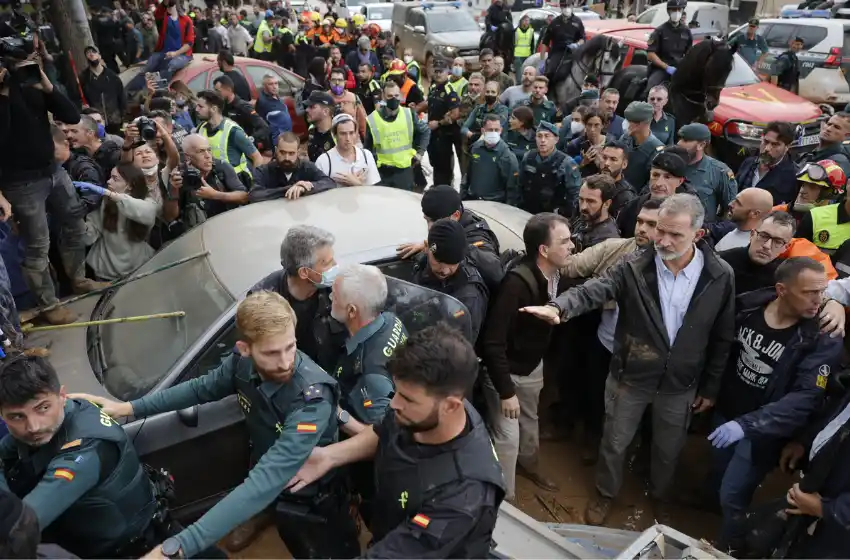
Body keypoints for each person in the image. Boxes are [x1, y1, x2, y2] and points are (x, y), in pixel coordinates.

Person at [77, 291, 361, 559]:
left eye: (291, 347)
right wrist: (129, 408)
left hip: (313, 497)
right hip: (272, 480)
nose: (286, 362)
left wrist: (180, 547)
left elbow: (266, 479)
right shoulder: (241, 363)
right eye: (272, 353)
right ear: (245, 349)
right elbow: (201, 389)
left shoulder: (311, 397)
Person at [523, 193, 735, 526]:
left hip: (680, 384)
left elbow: (722, 335)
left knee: (668, 449)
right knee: (615, 441)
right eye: (659, 231)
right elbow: (595, 289)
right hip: (631, 375)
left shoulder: (719, 275)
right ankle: (605, 494)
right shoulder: (634, 266)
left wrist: (710, 386)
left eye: (674, 234)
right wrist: (559, 308)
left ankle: (660, 497)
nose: (661, 240)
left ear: (699, 233)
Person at [288, 323, 505, 557]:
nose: (394, 404)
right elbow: (385, 430)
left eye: (407, 399)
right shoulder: (423, 411)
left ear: (451, 406)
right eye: (397, 391)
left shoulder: (462, 496)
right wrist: (328, 457)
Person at [707, 257, 842, 551]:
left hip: (762, 433)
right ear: (782, 290)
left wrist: (746, 425)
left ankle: (729, 546)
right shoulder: (749, 305)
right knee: (718, 472)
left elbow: (805, 398)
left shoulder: (822, 337)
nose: (820, 300)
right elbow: (721, 348)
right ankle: (710, 509)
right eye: (810, 292)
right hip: (726, 411)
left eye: (823, 292)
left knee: (733, 493)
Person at [0, 354, 162, 558]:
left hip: (125, 551)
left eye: (43, 408)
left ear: (62, 396)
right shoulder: (63, 413)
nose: (33, 426)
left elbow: (19, 528)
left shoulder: (86, 449)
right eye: (17, 416)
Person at [558, 198, 663, 460]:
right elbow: (571, 265)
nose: (642, 229)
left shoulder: (675, 270)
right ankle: (594, 442)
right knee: (594, 395)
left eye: (652, 224)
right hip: (605, 344)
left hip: (644, 355)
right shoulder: (616, 250)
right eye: (640, 221)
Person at [480, 211, 572, 500]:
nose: (572, 247)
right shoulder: (516, 285)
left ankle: (530, 465)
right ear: (544, 250)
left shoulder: (557, 274)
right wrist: (506, 391)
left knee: (530, 420)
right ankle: (506, 501)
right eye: (565, 241)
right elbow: (492, 343)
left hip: (532, 367)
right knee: (507, 437)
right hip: (505, 372)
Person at [0, 60, 94, 325]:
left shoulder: (31, 83)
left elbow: (72, 115)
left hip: (53, 171)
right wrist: (4, 95)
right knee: (37, 244)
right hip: (20, 183)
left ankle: (79, 279)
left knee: (75, 222)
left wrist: (46, 85)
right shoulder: (4, 92)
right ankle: (49, 305)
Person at [330, 265, 406, 525]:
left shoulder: (370, 372)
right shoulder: (391, 321)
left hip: (374, 477)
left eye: (334, 296)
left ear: (352, 311)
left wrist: (337, 413)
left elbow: (377, 438)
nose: (329, 298)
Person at [248, 226, 345, 375]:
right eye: (327, 263)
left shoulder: (339, 288)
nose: (335, 266)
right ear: (304, 272)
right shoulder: (263, 302)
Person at [412, 219, 490, 343]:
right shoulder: (421, 265)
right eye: (439, 262)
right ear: (426, 248)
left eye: (452, 264)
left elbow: (460, 348)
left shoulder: (469, 296)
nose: (445, 271)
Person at [77, 162, 158, 282]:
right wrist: (76, 220)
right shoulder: (106, 203)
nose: (109, 181)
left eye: (115, 179)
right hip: (106, 270)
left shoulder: (146, 202)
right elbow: (91, 234)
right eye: (110, 177)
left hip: (139, 269)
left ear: (130, 185)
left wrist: (109, 194)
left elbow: (146, 213)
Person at [397, 184, 501, 260]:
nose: (430, 227)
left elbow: (493, 268)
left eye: (436, 221)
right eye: (427, 220)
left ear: (456, 215)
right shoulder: (451, 224)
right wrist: (430, 245)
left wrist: (444, 246)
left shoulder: (475, 236)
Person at [365, 80, 430, 190]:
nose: (394, 99)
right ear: (383, 97)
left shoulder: (409, 114)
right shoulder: (372, 119)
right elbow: (367, 148)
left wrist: (420, 153)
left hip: (404, 171)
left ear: (400, 95)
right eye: (389, 96)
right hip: (382, 173)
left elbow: (425, 131)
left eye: (396, 95)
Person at [616, 146, 693, 236]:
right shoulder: (631, 208)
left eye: (667, 177)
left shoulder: (688, 213)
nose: (658, 183)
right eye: (655, 175)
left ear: (680, 181)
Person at [169, 133, 248, 220]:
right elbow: (171, 216)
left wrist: (215, 195)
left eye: (209, 150)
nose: (208, 156)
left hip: (226, 221)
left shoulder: (221, 167)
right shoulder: (179, 175)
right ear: (188, 157)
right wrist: (173, 189)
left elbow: (244, 197)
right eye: (201, 151)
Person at [719, 211, 796, 295]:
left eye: (778, 242)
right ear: (752, 235)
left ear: (786, 247)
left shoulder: (786, 278)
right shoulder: (721, 262)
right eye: (763, 236)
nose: (767, 246)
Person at [126, 0, 194, 94]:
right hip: (163, 51)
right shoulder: (164, 18)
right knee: (149, 67)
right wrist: (164, 3)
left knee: (170, 66)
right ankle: (129, 90)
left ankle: (153, 92)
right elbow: (158, 13)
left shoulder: (187, 21)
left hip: (182, 54)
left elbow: (189, 43)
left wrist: (175, 53)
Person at [195, 89, 262, 182]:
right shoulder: (200, 129)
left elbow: (257, 158)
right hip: (213, 182)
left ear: (214, 109)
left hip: (237, 184)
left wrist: (256, 183)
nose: (196, 109)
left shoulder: (233, 131)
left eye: (200, 106)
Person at [518, 121, 581, 217]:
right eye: (539, 136)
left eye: (547, 136)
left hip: (552, 216)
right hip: (528, 212)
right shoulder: (529, 157)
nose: (542, 140)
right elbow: (519, 184)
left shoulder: (566, 162)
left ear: (556, 139)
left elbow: (574, 195)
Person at [678, 123, 738, 222]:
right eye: (679, 139)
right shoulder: (670, 164)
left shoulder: (720, 171)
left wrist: (714, 231)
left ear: (701, 145)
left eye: (685, 140)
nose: (679, 143)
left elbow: (730, 209)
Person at [251, 133, 335, 203]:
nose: (287, 158)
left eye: (291, 153)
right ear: (276, 150)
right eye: (282, 152)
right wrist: (289, 189)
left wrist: (305, 188)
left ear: (298, 152)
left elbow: (329, 182)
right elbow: (254, 195)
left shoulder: (307, 167)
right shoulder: (263, 171)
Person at [791, 160, 850, 253]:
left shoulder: (819, 217)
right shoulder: (780, 211)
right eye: (803, 185)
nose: (803, 191)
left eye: (813, 187)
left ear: (830, 194)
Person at [460, 114, 520, 205]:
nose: (493, 133)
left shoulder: (507, 155)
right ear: (483, 131)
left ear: (501, 130)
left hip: (494, 204)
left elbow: (512, 188)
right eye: (490, 130)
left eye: (496, 130)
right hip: (473, 200)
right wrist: (462, 197)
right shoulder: (476, 148)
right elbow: (468, 175)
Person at [736, 120, 798, 205]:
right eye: (765, 142)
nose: (767, 148)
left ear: (787, 146)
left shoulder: (792, 177)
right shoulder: (748, 163)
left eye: (775, 144)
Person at [315, 114, 380, 187]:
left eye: (351, 133)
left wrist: (357, 184)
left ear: (356, 133)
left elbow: (373, 190)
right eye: (343, 134)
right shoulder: (324, 161)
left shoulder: (366, 155)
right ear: (334, 135)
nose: (348, 138)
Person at [426, 60, 462, 188]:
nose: (438, 74)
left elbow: (455, 113)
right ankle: (437, 185)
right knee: (434, 161)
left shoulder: (449, 90)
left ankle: (444, 188)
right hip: (433, 133)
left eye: (441, 71)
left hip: (444, 134)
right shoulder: (434, 87)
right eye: (436, 71)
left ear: (447, 72)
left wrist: (439, 123)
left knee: (443, 164)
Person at [213, 75, 272, 152]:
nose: (216, 94)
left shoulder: (243, 107)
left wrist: (249, 139)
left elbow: (264, 128)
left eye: (218, 91)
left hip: (244, 151)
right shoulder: (222, 107)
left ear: (228, 89)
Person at [53, 125, 103, 213]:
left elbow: (91, 197)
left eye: (52, 148)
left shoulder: (83, 167)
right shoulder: (48, 167)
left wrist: (76, 209)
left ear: (66, 144)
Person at [645, 0, 693, 93]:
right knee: (650, 90)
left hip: (680, 69)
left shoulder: (686, 31)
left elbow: (689, 54)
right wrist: (666, 67)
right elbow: (650, 54)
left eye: (679, 9)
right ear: (668, 11)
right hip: (661, 69)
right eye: (674, 10)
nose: (677, 12)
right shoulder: (659, 31)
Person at [78, 45, 125, 135]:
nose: (91, 54)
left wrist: (124, 118)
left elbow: (122, 98)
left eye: (94, 52)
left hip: (115, 122)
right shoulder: (83, 78)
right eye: (88, 53)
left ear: (99, 55)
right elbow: (77, 97)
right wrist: (82, 107)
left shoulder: (112, 77)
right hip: (95, 123)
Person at [620, 101, 665, 191]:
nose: (625, 123)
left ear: (638, 124)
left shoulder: (657, 149)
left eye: (629, 121)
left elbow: (652, 182)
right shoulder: (625, 138)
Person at [538, 0, 585, 84]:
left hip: (573, 52)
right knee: (551, 72)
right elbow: (545, 42)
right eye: (564, 6)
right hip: (557, 52)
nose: (566, 8)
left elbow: (583, 39)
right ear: (561, 7)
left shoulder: (578, 22)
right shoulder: (554, 23)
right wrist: (541, 60)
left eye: (569, 6)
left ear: (572, 6)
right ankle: (548, 91)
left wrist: (577, 44)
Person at [572, 174, 621, 252]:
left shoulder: (607, 242)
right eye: (581, 199)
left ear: (607, 204)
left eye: (591, 201)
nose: (583, 207)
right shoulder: (585, 218)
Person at [68, 115, 121, 182]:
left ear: (90, 133)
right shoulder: (76, 156)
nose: (69, 135)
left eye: (74, 131)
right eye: (68, 132)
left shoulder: (114, 155)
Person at [462, 80, 510, 146]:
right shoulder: (479, 108)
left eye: (493, 92)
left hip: (496, 146)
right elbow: (464, 128)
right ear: (484, 93)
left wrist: (478, 137)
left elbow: (492, 130)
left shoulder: (503, 110)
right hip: (478, 144)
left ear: (498, 94)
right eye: (487, 92)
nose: (490, 94)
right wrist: (472, 135)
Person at [563, 108, 608, 178]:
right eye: (589, 125)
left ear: (602, 125)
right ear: (584, 124)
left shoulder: (611, 142)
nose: (592, 129)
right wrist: (583, 163)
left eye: (596, 125)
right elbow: (567, 171)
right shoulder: (575, 145)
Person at [599, 139, 638, 219]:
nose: (606, 163)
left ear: (624, 164)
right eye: (604, 157)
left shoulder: (626, 197)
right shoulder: (590, 184)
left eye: (613, 159)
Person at [328, 67, 367, 136]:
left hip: (353, 139)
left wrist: (365, 139)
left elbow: (363, 121)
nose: (337, 83)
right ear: (329, 81)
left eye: (340, 80)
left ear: (345, 82)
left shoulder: (353, 97)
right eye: (334, 80)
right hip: (331, 140)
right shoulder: (324, 98)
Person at [304, 90, 336, 163]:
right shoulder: (311, 130)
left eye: (312, 107)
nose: (307, 110)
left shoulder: (338, 135)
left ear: (325, 112)